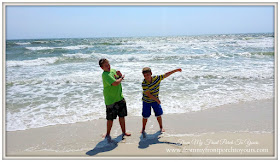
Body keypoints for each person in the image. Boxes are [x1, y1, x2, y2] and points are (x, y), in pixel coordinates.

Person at [141, 67, 182, 134]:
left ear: (151, 73)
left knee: (158, 114)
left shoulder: (157, 78)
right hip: (146, 101)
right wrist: (157, 99)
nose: (146, 77)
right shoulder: (144, 83)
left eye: (147, 75)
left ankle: (161, 127)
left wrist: (176, 70)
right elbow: (148, 94)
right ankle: (143, 129)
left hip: (155, 101)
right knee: (145, 116)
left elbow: (166, 74)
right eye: (144, 76)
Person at [99, 58, 131, 142]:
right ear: (102, 68)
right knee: (110, 119)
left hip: (119, 97)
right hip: (110, 100)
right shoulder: (105, 75)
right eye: (106, 65)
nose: (108, 66)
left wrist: (120, 76)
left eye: (108, 64)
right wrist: (122, 77)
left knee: (122, 116)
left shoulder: (113, 70)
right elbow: (115, 83)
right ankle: (108, 134)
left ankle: (124, 132)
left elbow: (118, 79)